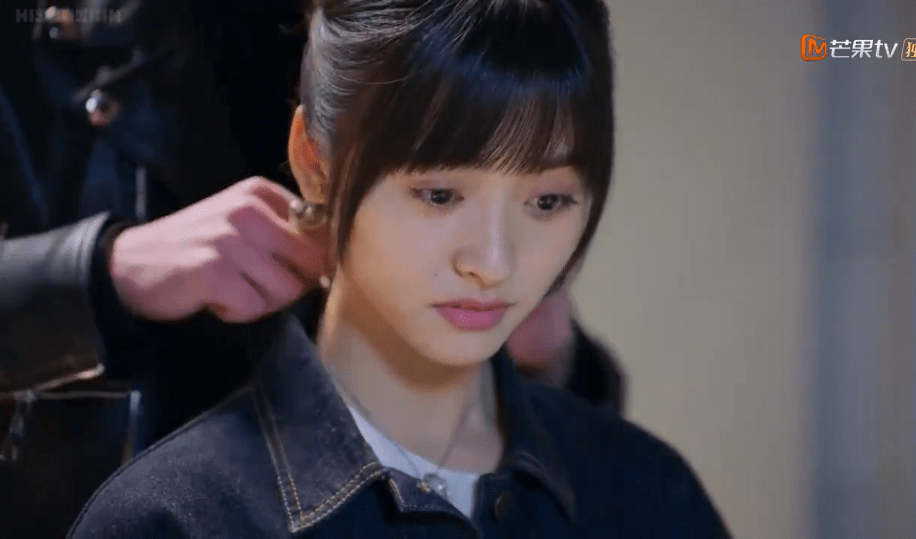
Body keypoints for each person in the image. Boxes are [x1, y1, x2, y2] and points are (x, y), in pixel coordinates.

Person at [68, 0, 731, 536]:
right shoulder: (174, 520)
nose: (492, 263)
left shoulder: (650, 496)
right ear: (314, 163)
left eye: (547, 202)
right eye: (439, 195)